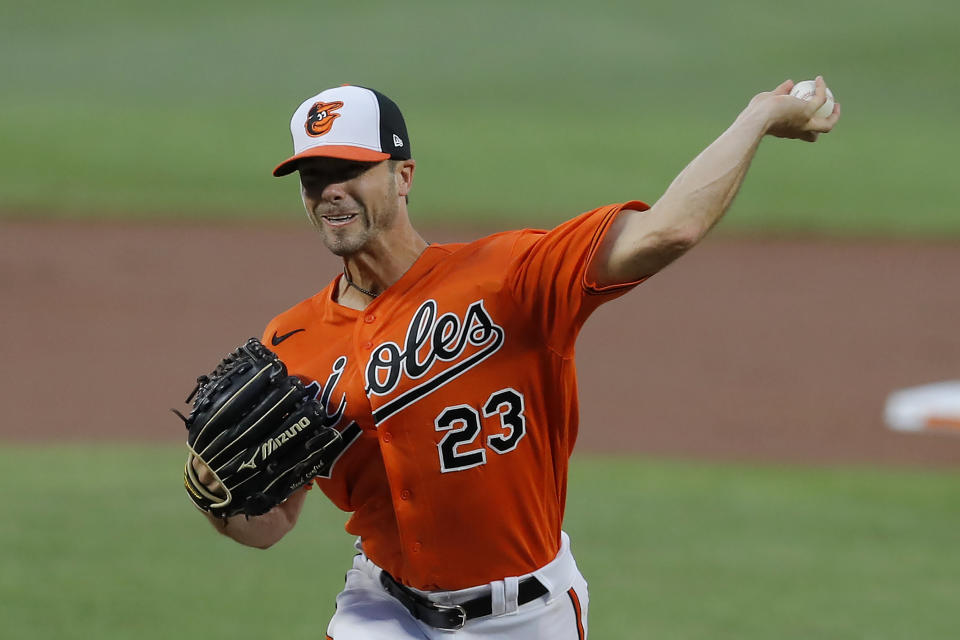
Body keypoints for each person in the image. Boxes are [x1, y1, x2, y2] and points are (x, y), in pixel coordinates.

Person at [191, 79, 840, 638]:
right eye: (313, 178)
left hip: (526, 617)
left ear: (403, 174)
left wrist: (757, 116)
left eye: (348, 171)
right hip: (382, 611)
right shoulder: (291, 341)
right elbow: (272, 526)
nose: (329, 192)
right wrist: (218, 502)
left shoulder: (509, 276)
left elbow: (670, 229)